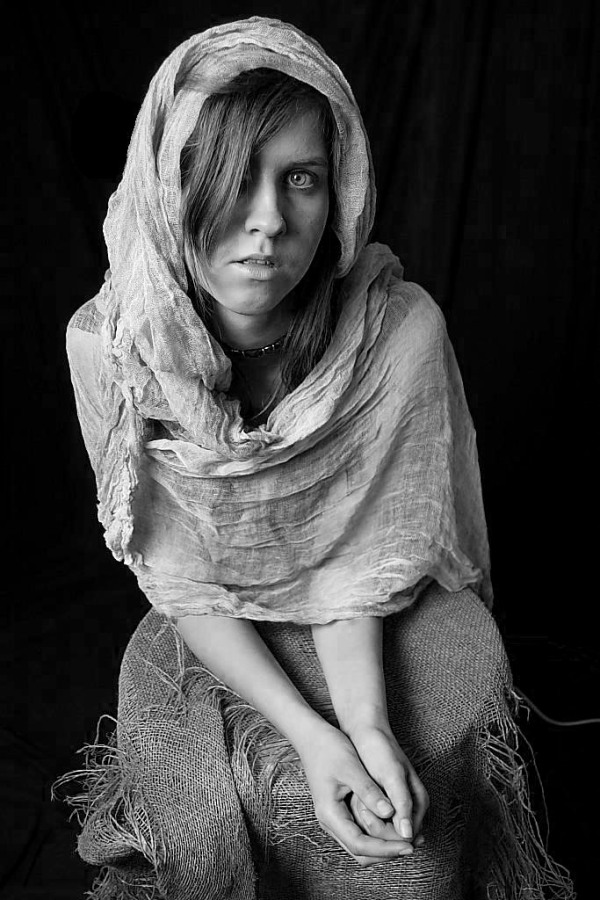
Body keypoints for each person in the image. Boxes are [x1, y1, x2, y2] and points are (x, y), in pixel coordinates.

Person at [60, 16, 571, 900]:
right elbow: (183, 581)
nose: (267, 221)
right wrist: (309, 732)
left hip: (371, 610)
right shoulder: (113, 351)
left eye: (300, 178)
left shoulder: (396, 333)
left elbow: (359, 558)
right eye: (224, 173)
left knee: (411, 826)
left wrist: (366, 726)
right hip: (218, 615)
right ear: (164, 185)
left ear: (341, 193)